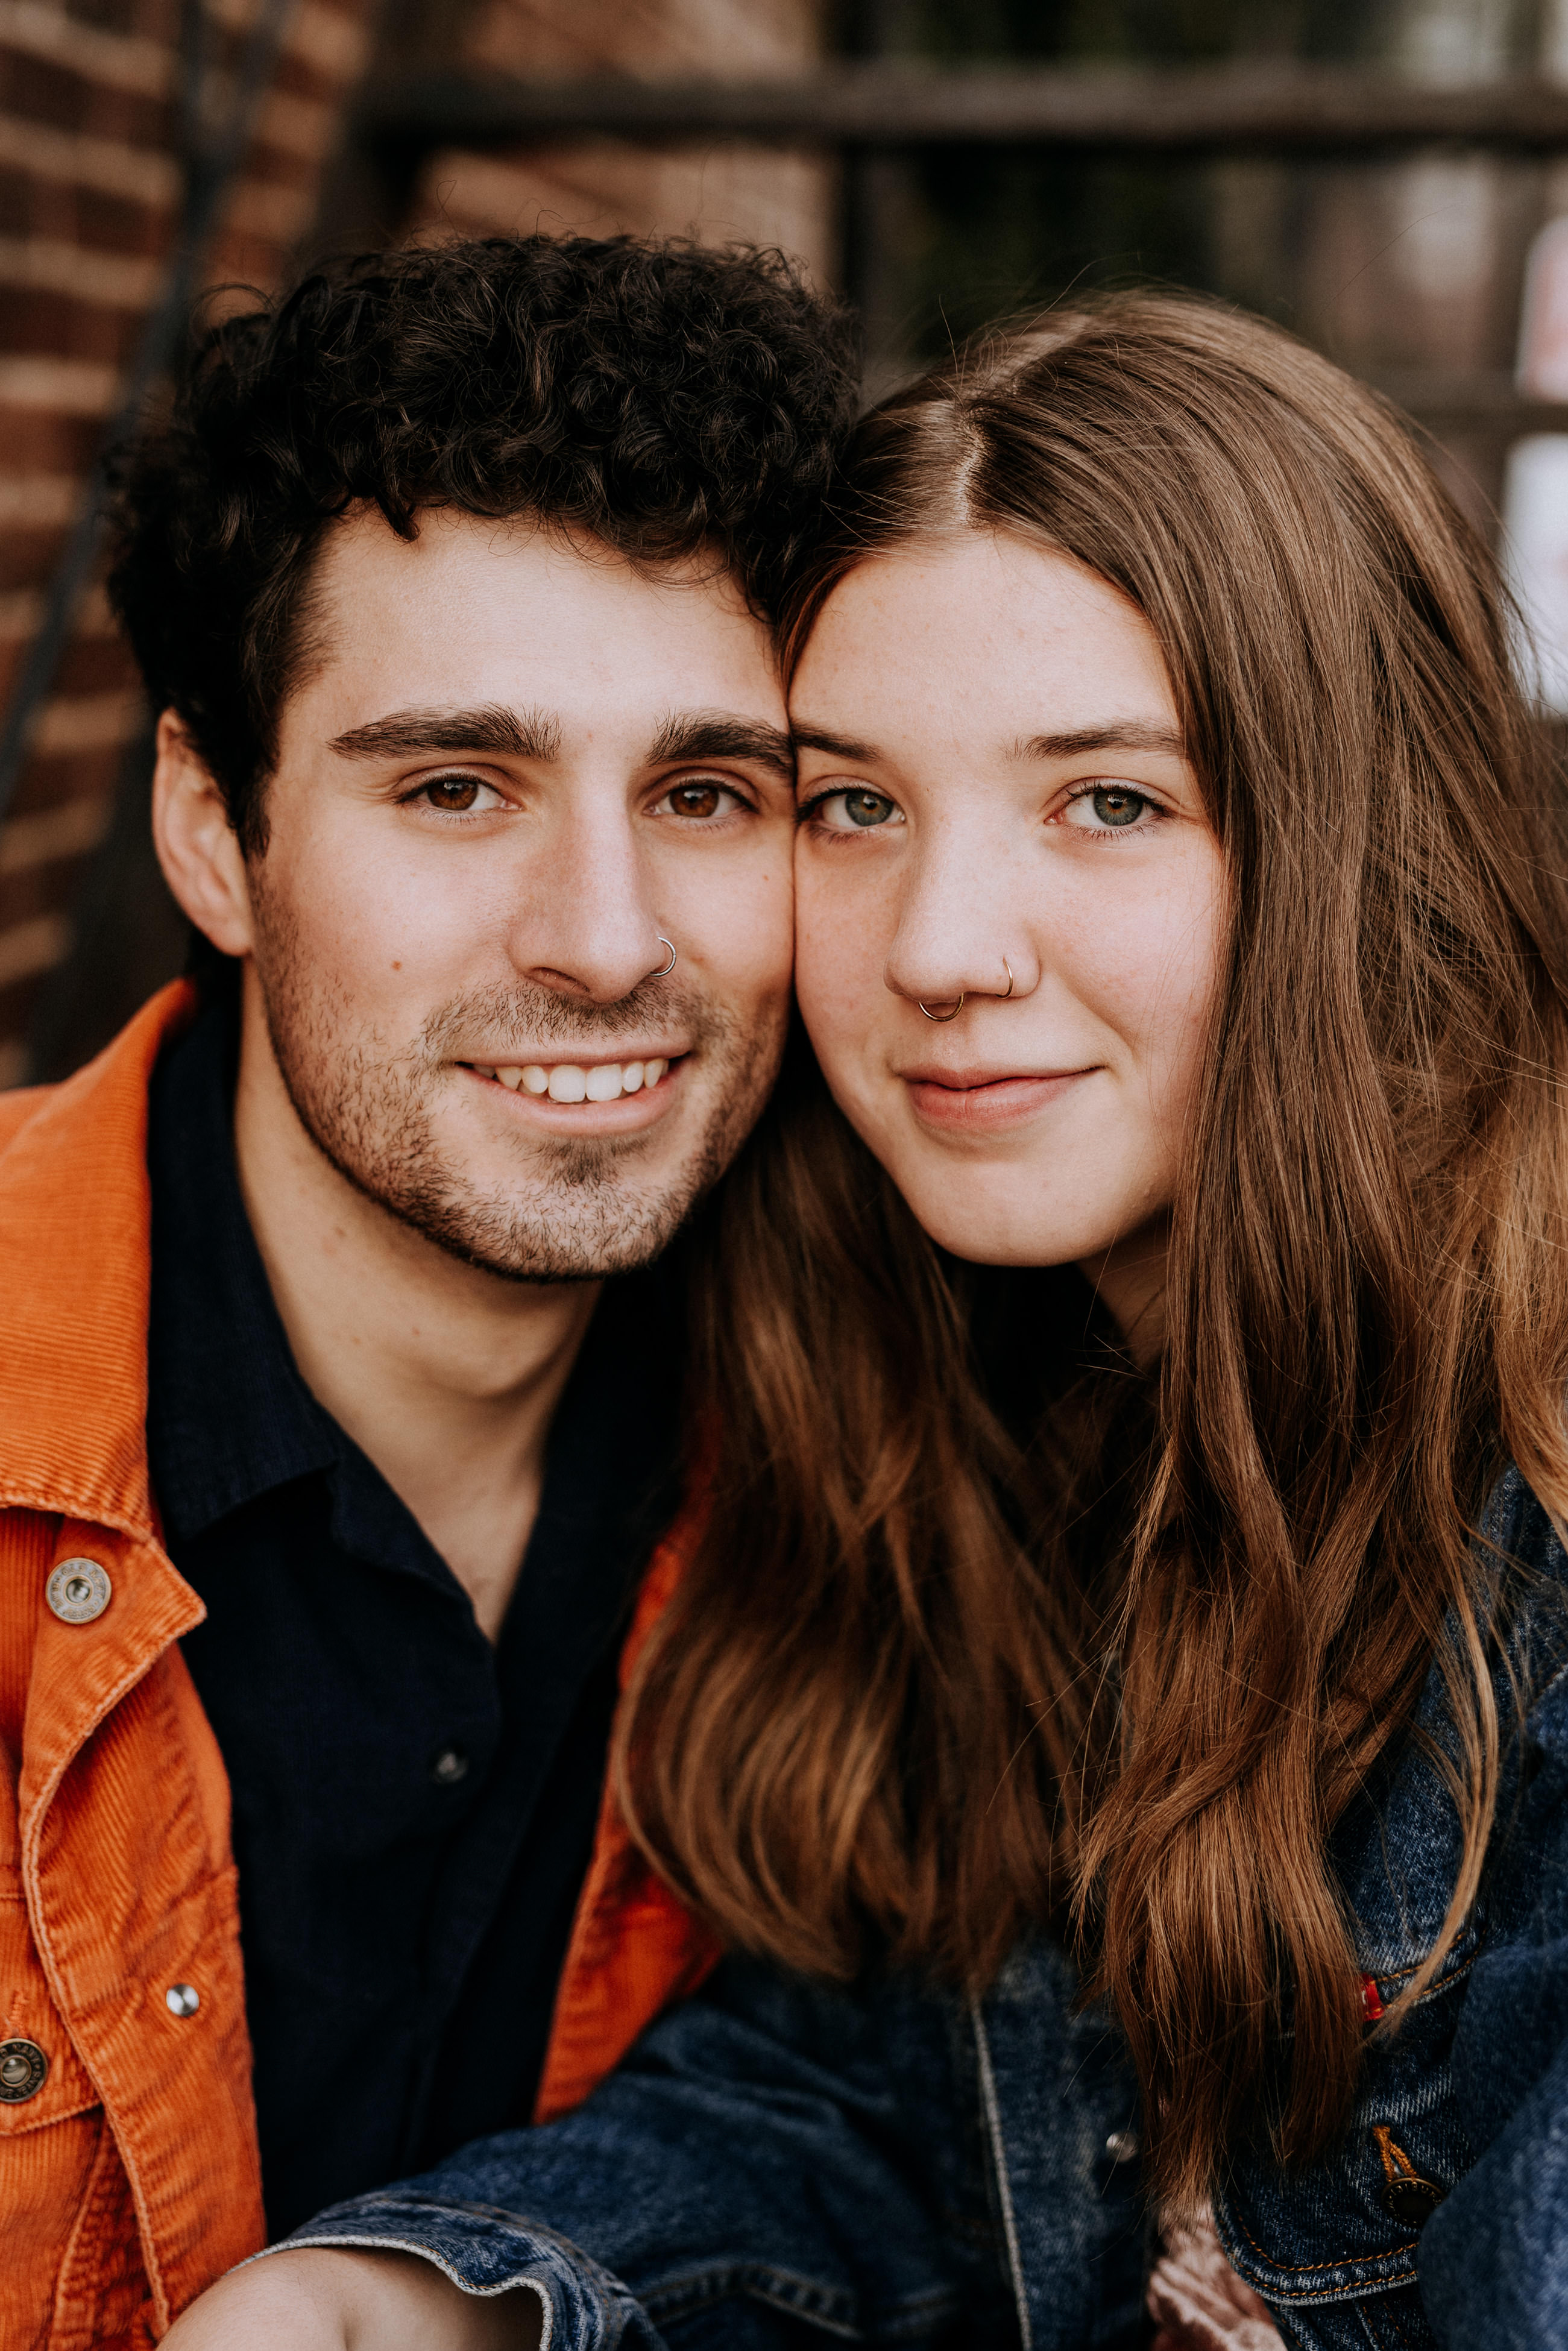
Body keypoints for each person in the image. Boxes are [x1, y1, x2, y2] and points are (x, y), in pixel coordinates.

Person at [164, 294, 1568, 2351]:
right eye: (847, 803)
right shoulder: (1025, 1389)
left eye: (1107, 800)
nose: (938, 949)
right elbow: (927, 2111)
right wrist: (426, 2296)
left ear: (1352, 836)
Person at [0, 233, 858, 2347]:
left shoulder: (888, 1461)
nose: (598, 934)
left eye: (705, 791)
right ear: (216, 830)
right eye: (455, 783)